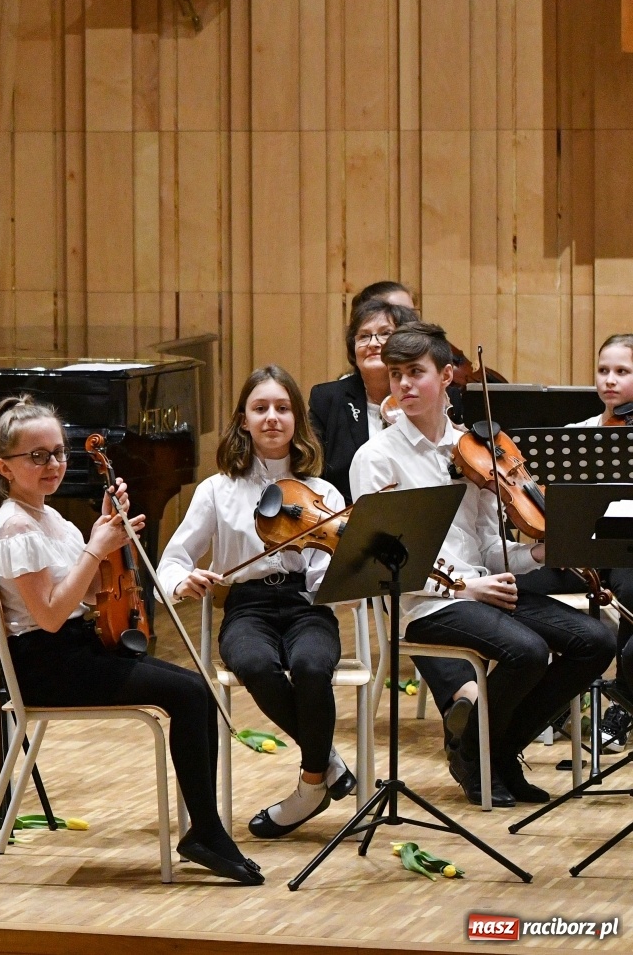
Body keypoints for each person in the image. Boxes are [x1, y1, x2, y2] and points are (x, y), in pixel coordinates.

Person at [0, 395, 263, 884]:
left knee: (196, 690)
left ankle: (206, 830)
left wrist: (109, 537)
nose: (54, 464)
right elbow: (48, 615)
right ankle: (206, 831)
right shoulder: (15, 526)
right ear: (5, 466)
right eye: (38, 456)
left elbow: (89, 592)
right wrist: (96, 547)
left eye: (58, 452)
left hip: (73, 651)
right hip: (47, 666)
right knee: (190, 692)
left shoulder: (49, 518)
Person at [350, 322, 616, 807]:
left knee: (595, 641)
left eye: (416, 372)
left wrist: (540, 552)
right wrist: (465, 591)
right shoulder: (376, 458)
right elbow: (389, 561)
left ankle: (493, 748)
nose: (404, 385)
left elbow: (489, 550)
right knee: (527, 650)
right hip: (426, 603)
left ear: (447, 375)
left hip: (483, 590)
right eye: (395, 375)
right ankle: (480, 755)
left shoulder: (473, 452)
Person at [157, 366, 355, 838]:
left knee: (311, 666)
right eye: (260, 408)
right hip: (247, 607)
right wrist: (182, 581)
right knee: (255, 663)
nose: (272, 418)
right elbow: (173, 558)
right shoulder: (217, 490)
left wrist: (334, 572)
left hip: (307, 604)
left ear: (297, 420)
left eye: (283, 409)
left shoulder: (322, 491)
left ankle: (309, 786)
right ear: (243, 420)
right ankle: (325, 759)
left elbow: (330, 571)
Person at [308, 298, 417, 502]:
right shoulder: (327, 400)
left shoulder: (428, 398)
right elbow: (310, 472)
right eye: (364, 336)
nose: (373, 343)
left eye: (385, 333)